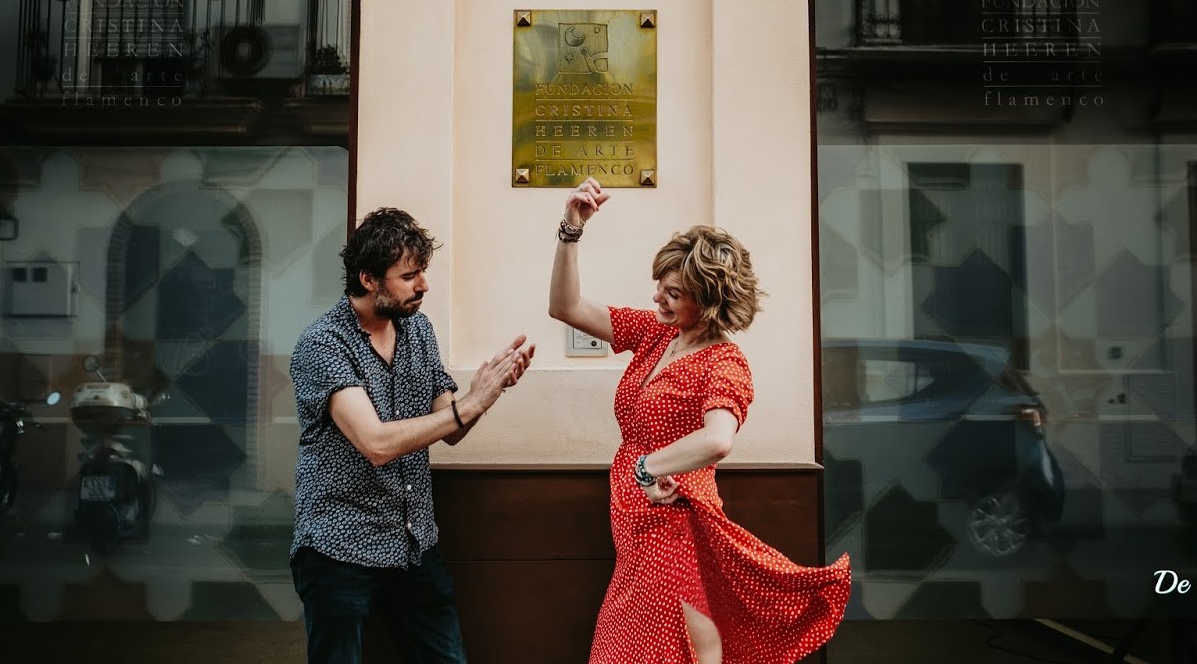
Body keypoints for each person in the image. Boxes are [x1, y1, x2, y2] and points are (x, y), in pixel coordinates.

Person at [549, 178, 850, 664]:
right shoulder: (654, 334)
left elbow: (717, 439)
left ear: (708, 301)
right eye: (659, 288)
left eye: (672, 293)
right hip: (634, 524)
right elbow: (565, 307)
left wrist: (648, 467)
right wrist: (571, 228)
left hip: (676, 517)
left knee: (687, 641)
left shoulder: (724, 364)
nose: (657, 300)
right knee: (636, 643)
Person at [290, 206, 534, 664]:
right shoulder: (322, 343)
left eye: (422, 272)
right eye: (409, 275)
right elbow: (376, 444)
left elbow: (451, 428)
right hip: (340, 545)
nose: (423, 285)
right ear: (368, 279)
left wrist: (489, 390)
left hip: (414, 541)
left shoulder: (417, 328)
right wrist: (470, 403)